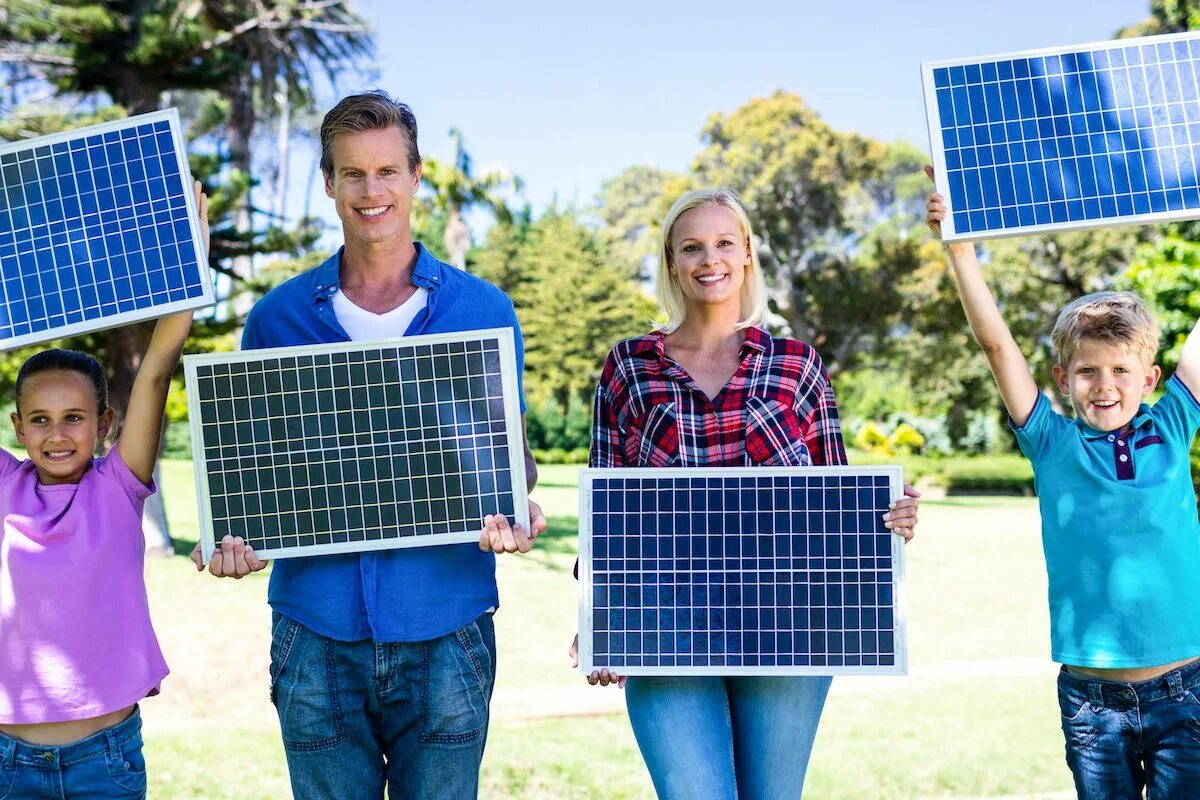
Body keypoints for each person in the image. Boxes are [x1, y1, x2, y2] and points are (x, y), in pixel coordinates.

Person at [190, 90, 547, 800]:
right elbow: (256, 472)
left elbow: (512, 455)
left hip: (447, 629)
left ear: (415, 177)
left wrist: (517, 500)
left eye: (387, 171)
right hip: (315, 635)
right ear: (328, 182)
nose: (371, 190)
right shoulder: (276, 319)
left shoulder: (484, 310)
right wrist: (233, 539)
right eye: (352, 173)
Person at [569, 187, 920, 799]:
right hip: (667, 622)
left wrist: (888, 518)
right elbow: (607, 515)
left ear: (748, 253)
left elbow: (835, 504)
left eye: (725, 243)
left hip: (786, 623)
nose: (711, 259)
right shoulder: (628, 366)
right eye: (692, 247)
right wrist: (602, 618)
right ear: (672, 261)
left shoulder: (797, 366)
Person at [926, 166, 1200, 798]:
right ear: (1062, 377)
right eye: (1087, 372)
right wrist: (960, 250)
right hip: (1092, 705)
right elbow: (997, 346)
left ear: (1150, 378)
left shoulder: (1173, 425)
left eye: (1121, 371)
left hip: (1186, 691)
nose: (1104, 386)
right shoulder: (1052, 443)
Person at [0, 185, 207, 799]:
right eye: (40, 420)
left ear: (105, 423)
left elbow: (156, 371)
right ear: (18, 427)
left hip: (105, 762)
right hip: (8, 765)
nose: (57, 434)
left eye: (74, 418)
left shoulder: (117, 487)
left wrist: (189, 261)